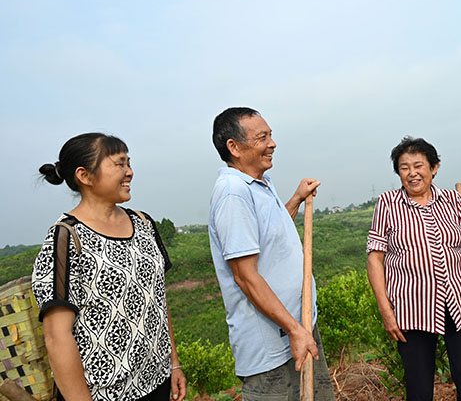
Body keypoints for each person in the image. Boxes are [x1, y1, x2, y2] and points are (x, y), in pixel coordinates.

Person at [31, 133, 186, 401]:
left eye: (129, 163)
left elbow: (158, 299)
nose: (130, 172)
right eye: (119, 164)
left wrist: (174, 363)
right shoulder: (66, 238)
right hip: (107, 394)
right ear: (85, 175)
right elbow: (57, 337)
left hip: (158, 381)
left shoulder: (143, 223)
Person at [208, 107, 334, 401]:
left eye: (271, 135)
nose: (272, 144)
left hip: (297, 329)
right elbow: (245, 277)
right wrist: (294, 330)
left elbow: (270, 233)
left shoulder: (259, 185)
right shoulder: (233, 194)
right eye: (262, 137)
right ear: (234, 148)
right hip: (274, 345)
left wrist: (295, 200)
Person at [367, 136, 461, 401]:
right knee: (418, 392)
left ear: (434, 167)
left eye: (419, 165)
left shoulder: (453, 201)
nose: (412, 173)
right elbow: (375, 259)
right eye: (404, 167)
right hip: (411, 308)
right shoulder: (387, 204)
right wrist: (386, 310)